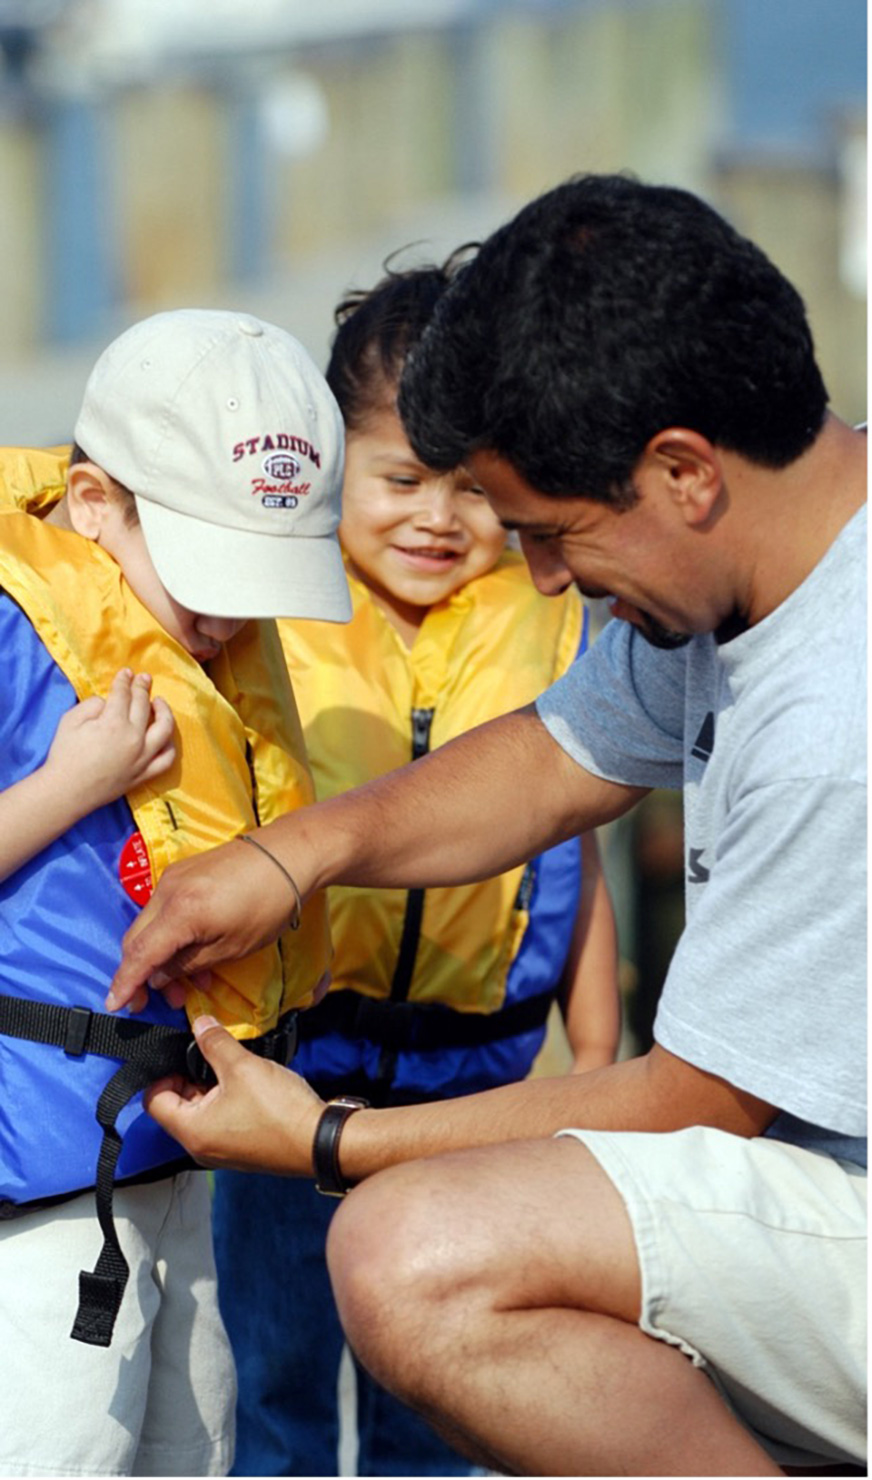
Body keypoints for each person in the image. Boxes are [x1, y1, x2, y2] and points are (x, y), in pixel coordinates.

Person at [109, 176, 866, 1477]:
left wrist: (328, 1141)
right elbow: (556, 754)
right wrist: (292, 854)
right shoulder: (762, 559)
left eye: (550, 536)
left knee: (414, 1255)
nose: (546, 582)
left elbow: (695, 1100)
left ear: (683, 471)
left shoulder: (834, 724)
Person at [211, 254, 620, 1478]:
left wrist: (597, 1055)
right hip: (292, 1071)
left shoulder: (556, 621)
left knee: (438, 1393)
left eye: (472, 489)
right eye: (398, 479)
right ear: (332, 462)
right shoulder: (267, 617)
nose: (437, 519)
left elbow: (575, 849)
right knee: (272, 1381)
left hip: (472, 1089)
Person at [0, 309, 349, 1478]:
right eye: (207, 571)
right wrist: (68, 786)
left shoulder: (214, 642)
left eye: (258, 579)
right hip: (41, 1200)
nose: (228, 615)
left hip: (179, 1167)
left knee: (195, 1444)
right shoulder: (13, 630)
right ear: (94, 503)